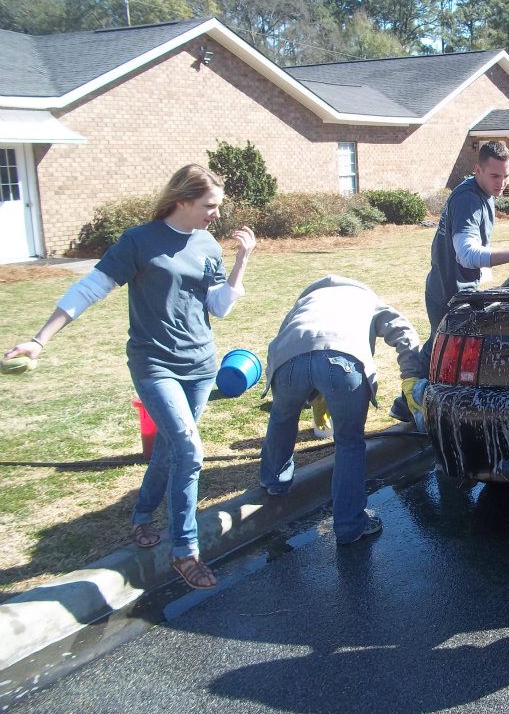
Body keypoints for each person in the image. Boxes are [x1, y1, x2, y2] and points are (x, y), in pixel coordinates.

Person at [2, 164, 256, 590]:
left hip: (200, 366)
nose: (216, 214)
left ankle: (141, 515)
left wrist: (241, 261)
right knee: (190, 450)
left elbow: (219, 307)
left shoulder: (207, 243)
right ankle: (185, 550)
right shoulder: (139, 241)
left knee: (172, 449)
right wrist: (39, 339)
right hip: (154, 364)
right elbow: (90, 288)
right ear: (182, 201)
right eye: (209, 205)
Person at [399, 140, 509, 419]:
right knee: (442, 352)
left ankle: (406, 403)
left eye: (506, 176)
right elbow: (467, 255)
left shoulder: (482, 193)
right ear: (477, 170)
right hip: (448, 291)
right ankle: (410, 402)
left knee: (437, 347)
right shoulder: (468, 200)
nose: (501, 183)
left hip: (456, 287)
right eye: (495, 176)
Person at [259, 275, 420, 544]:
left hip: (288, 363)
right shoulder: (367, 299)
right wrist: (411, 375)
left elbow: (281, 340)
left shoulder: (307, 300)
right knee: (349, 442)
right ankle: (349, 525)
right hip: (344, 362)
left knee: (282, 417)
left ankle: (274, 482)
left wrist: (300, 387)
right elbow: (404, 332)